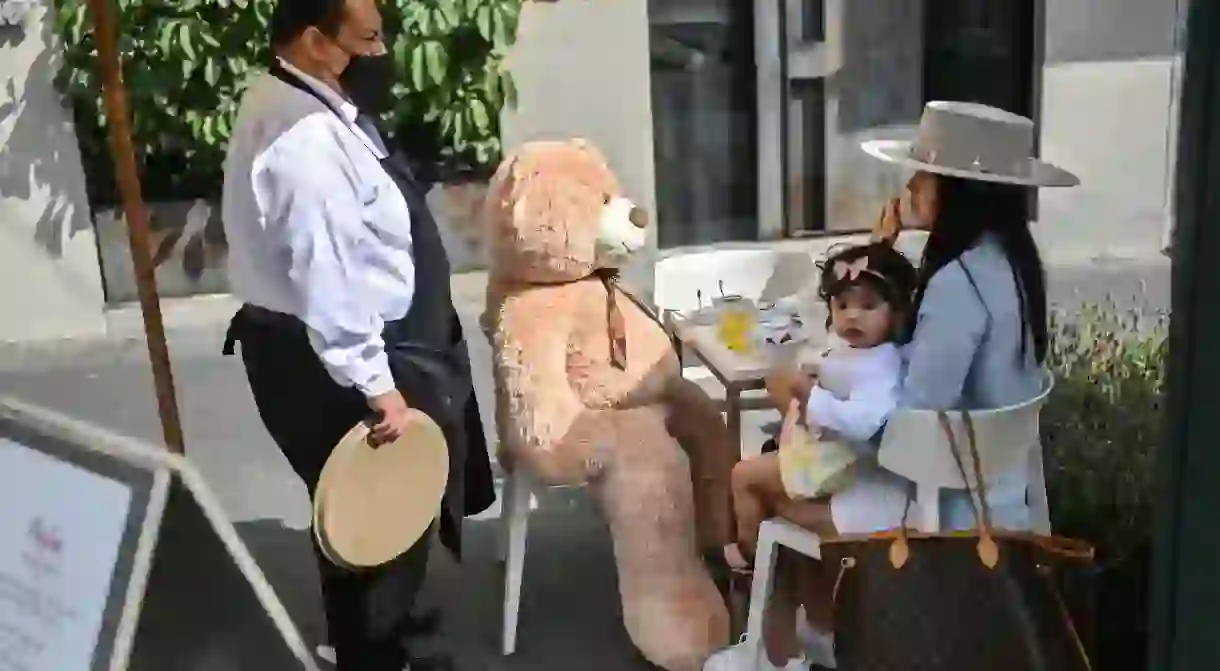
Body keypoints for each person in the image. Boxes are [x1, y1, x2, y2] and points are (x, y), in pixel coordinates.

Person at [704, 101, 1079, 671]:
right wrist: (888, 253)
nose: (910, 185)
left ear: (959, 189)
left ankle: (778, 653)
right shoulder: (1010, 262)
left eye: (923, 176)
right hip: (994, 486)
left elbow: (905, 431)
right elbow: (932, 362)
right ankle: (817, 638)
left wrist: (808, 402)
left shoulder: (959, 283)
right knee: (783, 456)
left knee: (758, 482)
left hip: (937, 505)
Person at [218, 0, 496, 668]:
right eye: (367, 39)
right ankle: (371, 653)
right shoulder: (303, 140)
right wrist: (378, 385)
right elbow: (327, 276)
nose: (382, 53)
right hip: (336, 358)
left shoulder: (298, 98)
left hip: (351, 342)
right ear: (315, 39)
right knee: (372, 509)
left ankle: (376, 633)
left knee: (379, 517)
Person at [722, 242, 915, 577]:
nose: (852, 315)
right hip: (835, 460)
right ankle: (769, 564)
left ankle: (751, 558)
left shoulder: (883, 366)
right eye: (842, 305)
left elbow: (865, 422)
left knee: (744, 477)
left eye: (868, 305)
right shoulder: (862, 351)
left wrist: (809, 394)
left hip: (843, 467)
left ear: (896, 312)